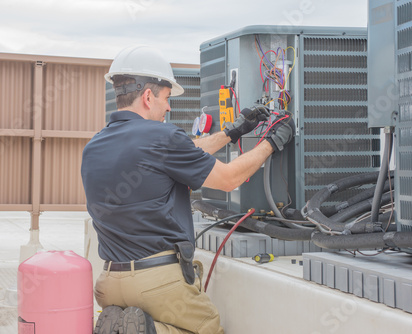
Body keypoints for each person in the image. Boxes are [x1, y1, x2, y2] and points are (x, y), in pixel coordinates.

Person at [81, 45, 294, 334]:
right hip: (157, 282)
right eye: (167, 99)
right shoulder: (163, 137)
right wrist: (271, 141)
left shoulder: (95, 145)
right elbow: (230, 178)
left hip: (109, 283)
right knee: (207, 329)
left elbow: (186, 152)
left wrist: (234, 131)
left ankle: (123, 326)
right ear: (147, 96)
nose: (169, 107)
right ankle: (150, 331)